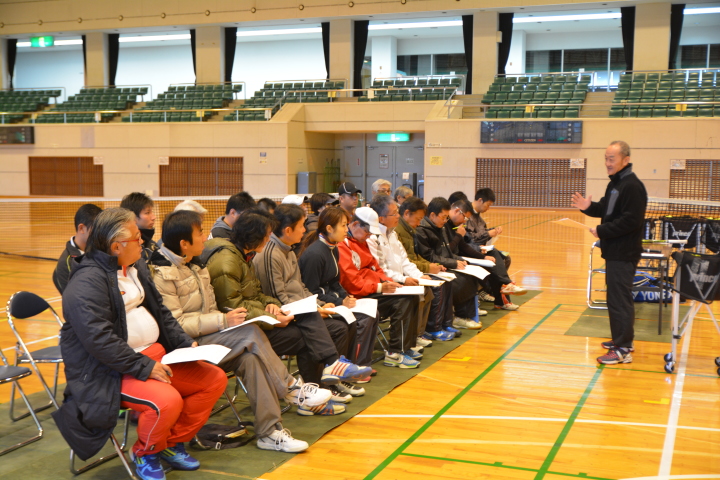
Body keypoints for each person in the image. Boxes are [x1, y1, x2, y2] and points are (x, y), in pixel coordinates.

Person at [53, 208, 227, 480]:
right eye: (136, 238)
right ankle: (146, 452)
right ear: (116, 247)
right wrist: (144, 367)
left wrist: (184, 344)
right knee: (166, 401)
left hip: (152, 358)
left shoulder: (136, 267)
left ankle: (169, 443)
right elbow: (100, 340)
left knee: (213, 380)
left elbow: (161, 312)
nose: (143, 242)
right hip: (109, 371)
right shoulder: (86, 282)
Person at [148, 210, 332, 452]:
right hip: (185, 348)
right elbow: (177, 325)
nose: (205, 237)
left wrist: (264, 307)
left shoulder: (195, 264)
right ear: (184, 243)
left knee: (251, 359)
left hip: (210, 336)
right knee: (251, 333)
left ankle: (269, 432)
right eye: (200, 233)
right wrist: (223, 320)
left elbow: (222, 305)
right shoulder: (162, 274)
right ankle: (291, 388)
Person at [201, 210, 365, 413]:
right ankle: (314, 392)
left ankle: (322, 384)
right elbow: (233, 307)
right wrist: (273, 314)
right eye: (266, 234)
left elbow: (259, 293)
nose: (268, 238)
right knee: (311, 333)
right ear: (254, 236)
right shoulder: (231, 260)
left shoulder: (245, 255)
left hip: (262, 320)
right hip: (244, 330)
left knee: (323, 325)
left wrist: (271, 305)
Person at [254, 204, 369, 399]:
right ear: (288, 230)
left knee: (343, 322)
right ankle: (323, 383)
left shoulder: (289, 250)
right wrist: (314, 309)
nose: (305, 230)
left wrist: (319, 305)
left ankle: (334, 376)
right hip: (282, 317)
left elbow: (301, 287)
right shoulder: (271, 253)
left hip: (301, 311)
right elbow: (277, 297)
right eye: (301, 225)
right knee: (332, 329)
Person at [572, 140, 647, 365]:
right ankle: (622, 340)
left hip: (624, 252)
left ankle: (623, 349)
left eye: (612, 158)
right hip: (615, 252)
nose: (607, 163)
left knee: (619, 300)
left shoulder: (632, 186)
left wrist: (602, 230)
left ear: (626, 160)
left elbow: (631, 221)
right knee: (615, 298)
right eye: (606, 158)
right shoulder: (615, 184)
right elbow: (606, 210)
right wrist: (588, 207)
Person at [298, 206, 380, 378]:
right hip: (322, 305)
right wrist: (340, 302)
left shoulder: (333, 247)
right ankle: (347, 368)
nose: (346, 229)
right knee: (355, 320)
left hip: (333, 302)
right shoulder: (315, 254)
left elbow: (335, 282)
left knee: (372, 313)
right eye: (343, 225)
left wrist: (346, 297)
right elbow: (311, 291)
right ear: (329, 228)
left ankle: (356, 366)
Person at [338, 207, 421, 369]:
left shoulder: (361, 242)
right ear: (354, 224)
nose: (369, 236)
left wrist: (389, 282)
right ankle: (395, 353)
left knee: (411, 295)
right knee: (402, 301)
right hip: (359, 296)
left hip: (372, 289)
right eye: (367, 232)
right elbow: (352, 284)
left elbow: (376, 267)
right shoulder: (343, 246)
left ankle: (405, 347)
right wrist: (379, 287)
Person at [366, 194, 436, 350]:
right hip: (385, 284)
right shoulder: (372, 238)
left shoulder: (392, 233)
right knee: (409, 298)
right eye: (394, 214)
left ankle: (414, 337)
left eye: (397, 212)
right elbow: (380, 269)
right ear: (381, 218)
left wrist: (419, 276)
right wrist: (403, 280)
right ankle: (401, 346)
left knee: (426, 290)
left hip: (398, 280)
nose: (398, 216)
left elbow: (405, 261)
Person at [415, 197, 482, 330]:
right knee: (461, 281)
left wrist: (457, 260)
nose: (445, 221)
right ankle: (457, 317)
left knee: (470, 276)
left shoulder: (441, 227)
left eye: (447, 217)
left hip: (444, 265)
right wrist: (453, 263)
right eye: (443, 217)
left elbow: (446, 251)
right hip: (431, 268)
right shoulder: (422, 230)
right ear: (432, 215)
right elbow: (429, 257)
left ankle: (464, 315)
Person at [447, 200, 525, 311]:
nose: (465, 221)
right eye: (465, 218)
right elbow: (450, 249)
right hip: (456, 258)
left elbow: (464, 244)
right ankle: (503, 287)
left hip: (467, 253)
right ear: (456, 211)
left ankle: (504, 288)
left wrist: (483, 255)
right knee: (491, 259)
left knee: (496, 258)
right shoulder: (445, 226)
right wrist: (479, 242)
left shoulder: (463, 223)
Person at [395, 197, 455, 341]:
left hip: (411, 271)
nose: (419, 223)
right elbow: (404, 262)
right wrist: (427, 267)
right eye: (418, 219)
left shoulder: (408, 229)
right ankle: (431, 330)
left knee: (445, 281)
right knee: (433, 287)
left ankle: (440, 326)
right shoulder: (398, 231)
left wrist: (431, 266)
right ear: (406, 213)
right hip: (401, 275)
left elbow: (414, 256)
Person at [53, 203, 102, 294]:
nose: (99, 234)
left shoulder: (100, 249)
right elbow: (75, 297)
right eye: (96, 229)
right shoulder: (66, 264)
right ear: (81, 228)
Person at [120, 192, 158, 259]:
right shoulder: (125, 250)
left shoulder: (153, 246)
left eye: (151, 212)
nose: (153, 217)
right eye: (147, 213)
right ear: (132, 217)